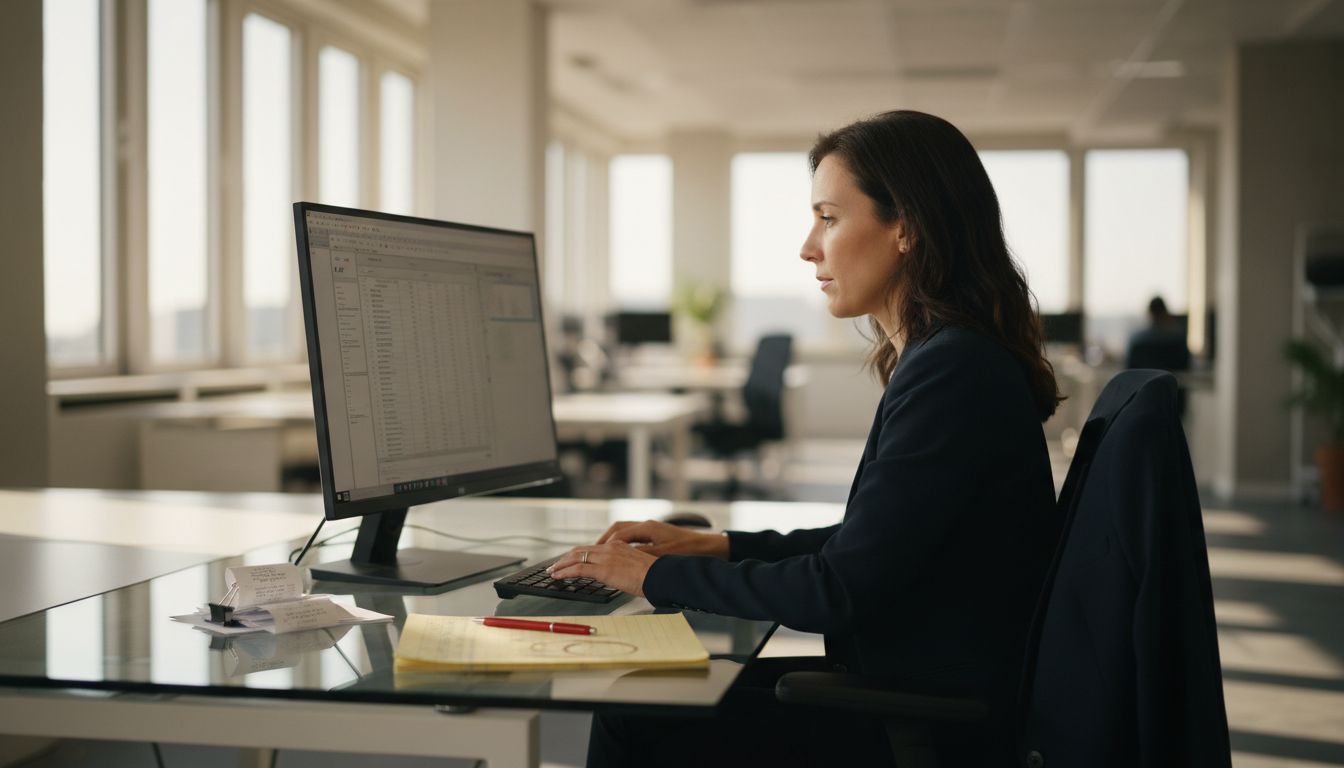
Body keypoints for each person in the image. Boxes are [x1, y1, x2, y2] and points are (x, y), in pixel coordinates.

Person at [547, 110, 1065, 767]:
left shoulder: (953, 372)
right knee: (647, 695)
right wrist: (718, 546)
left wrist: (660, 576)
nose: (808, 247)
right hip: (911, 695)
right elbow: (867, 549)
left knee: (636, 711)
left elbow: (837, 591)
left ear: (905, 225)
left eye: (828, 216)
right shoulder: (949, 360)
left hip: (918, 726)